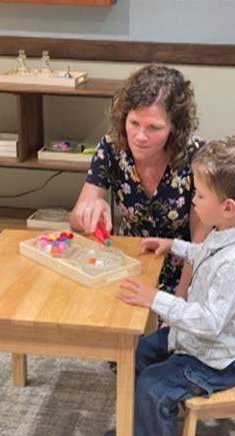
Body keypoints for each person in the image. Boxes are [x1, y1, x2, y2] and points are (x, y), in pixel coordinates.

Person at [112, 135, 235, 436]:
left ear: (228, 206)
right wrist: (175, 246)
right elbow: (204, 255)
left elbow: (210, 322)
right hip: (199, 343)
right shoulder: (225, 233)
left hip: (220, 359)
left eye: (199, 195)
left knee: (154, 385)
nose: (193, 200)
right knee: (139, 353)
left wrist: (156, 299)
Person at [70, 64, 209, 298]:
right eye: (134, 123)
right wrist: (89, 212)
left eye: (154, 127)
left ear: (175, 128)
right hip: (129, 262)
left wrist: (177, 302)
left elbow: (199, 246)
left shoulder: (196, 156)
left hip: (183, 274)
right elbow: (74, 220)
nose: (140, 136)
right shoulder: (111, 147)